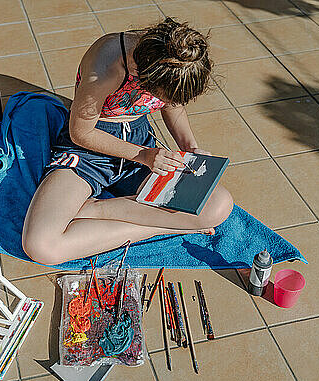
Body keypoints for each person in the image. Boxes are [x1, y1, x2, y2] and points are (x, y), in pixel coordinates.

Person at [22, 18, 233, 265]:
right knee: (41, 246)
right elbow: (81, 133)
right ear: (143, 74)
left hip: (139, 138)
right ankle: (169, 226)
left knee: (218, 205)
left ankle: (95, 210)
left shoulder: (174, 61)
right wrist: (144, 156)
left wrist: (190, 148)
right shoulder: (107, 66)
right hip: (90, 148)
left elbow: (172, 104)